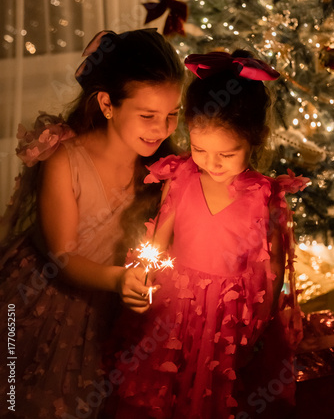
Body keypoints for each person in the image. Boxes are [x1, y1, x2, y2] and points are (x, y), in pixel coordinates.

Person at [114, 50, 310, 419]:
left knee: (210, 394)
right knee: (162, 384)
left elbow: (274, 268)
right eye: (200, 149)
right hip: (175, 306)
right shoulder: (182, 177)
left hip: (227, 318)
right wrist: (144, 273)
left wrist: (260, 321)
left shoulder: (263, 197)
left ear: (256, 139)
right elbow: (160, 235)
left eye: (227, 153)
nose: (211, 162)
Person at [0, 28, 185, 419]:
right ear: (107, 104)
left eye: (172, 115)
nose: (162, 129)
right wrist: (119, 280)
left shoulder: (165, 170)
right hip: (48, 301)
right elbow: (63, 255)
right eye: (148, 115)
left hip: (116, 312)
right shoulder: (64, 159)